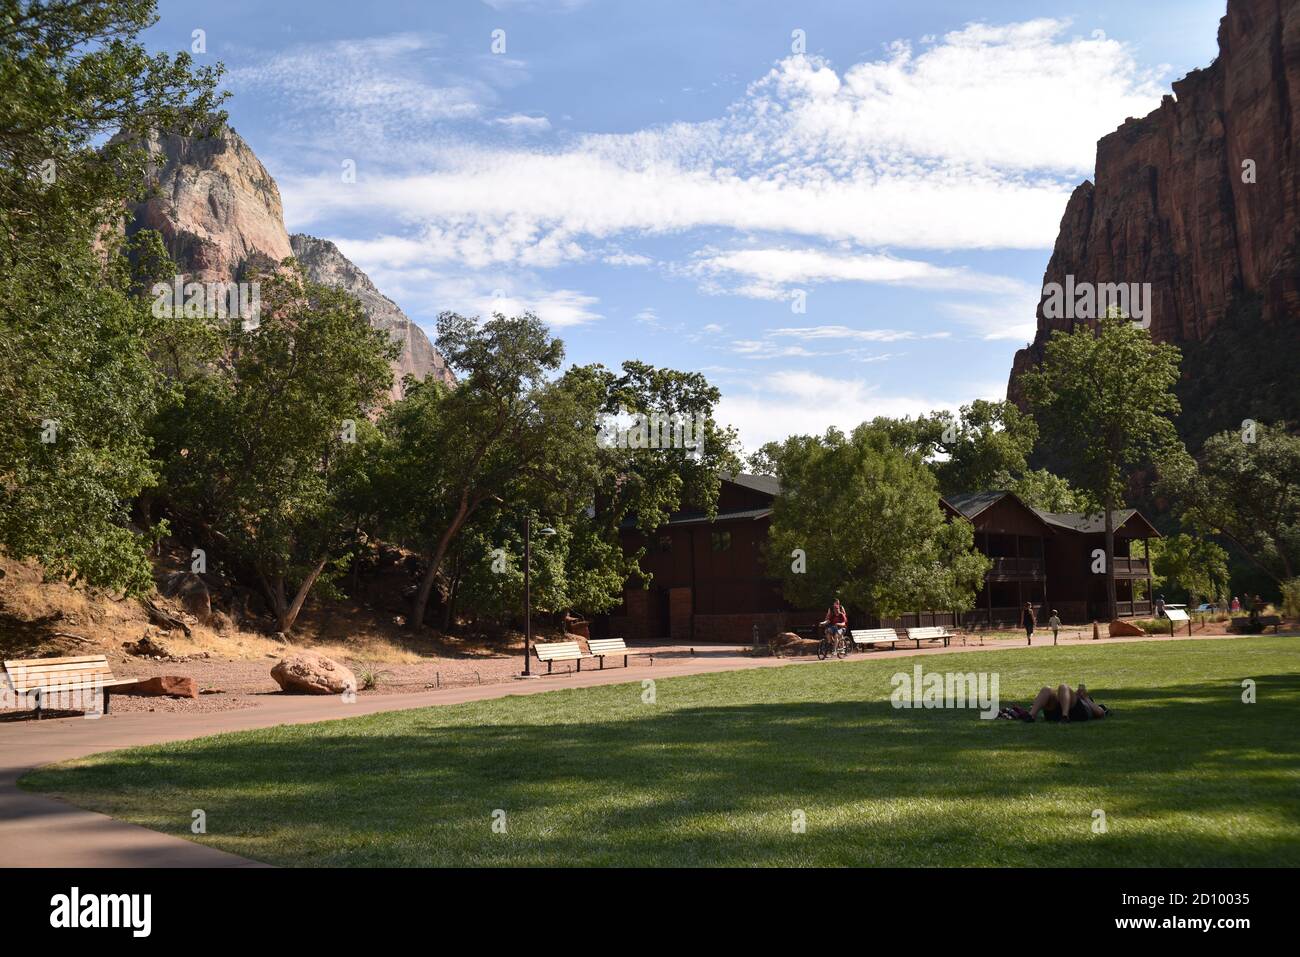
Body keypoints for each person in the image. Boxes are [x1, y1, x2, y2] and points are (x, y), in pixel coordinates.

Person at [1023, 683, 1109, 722]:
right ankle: (1031, 715)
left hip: (1078, 714)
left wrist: (1085, 698)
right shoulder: (1069, 697)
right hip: (1056, 713)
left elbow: (1100, 713)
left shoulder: (1089, 701)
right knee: (1047, 689)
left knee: (1063, 687)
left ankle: (1065, 716)